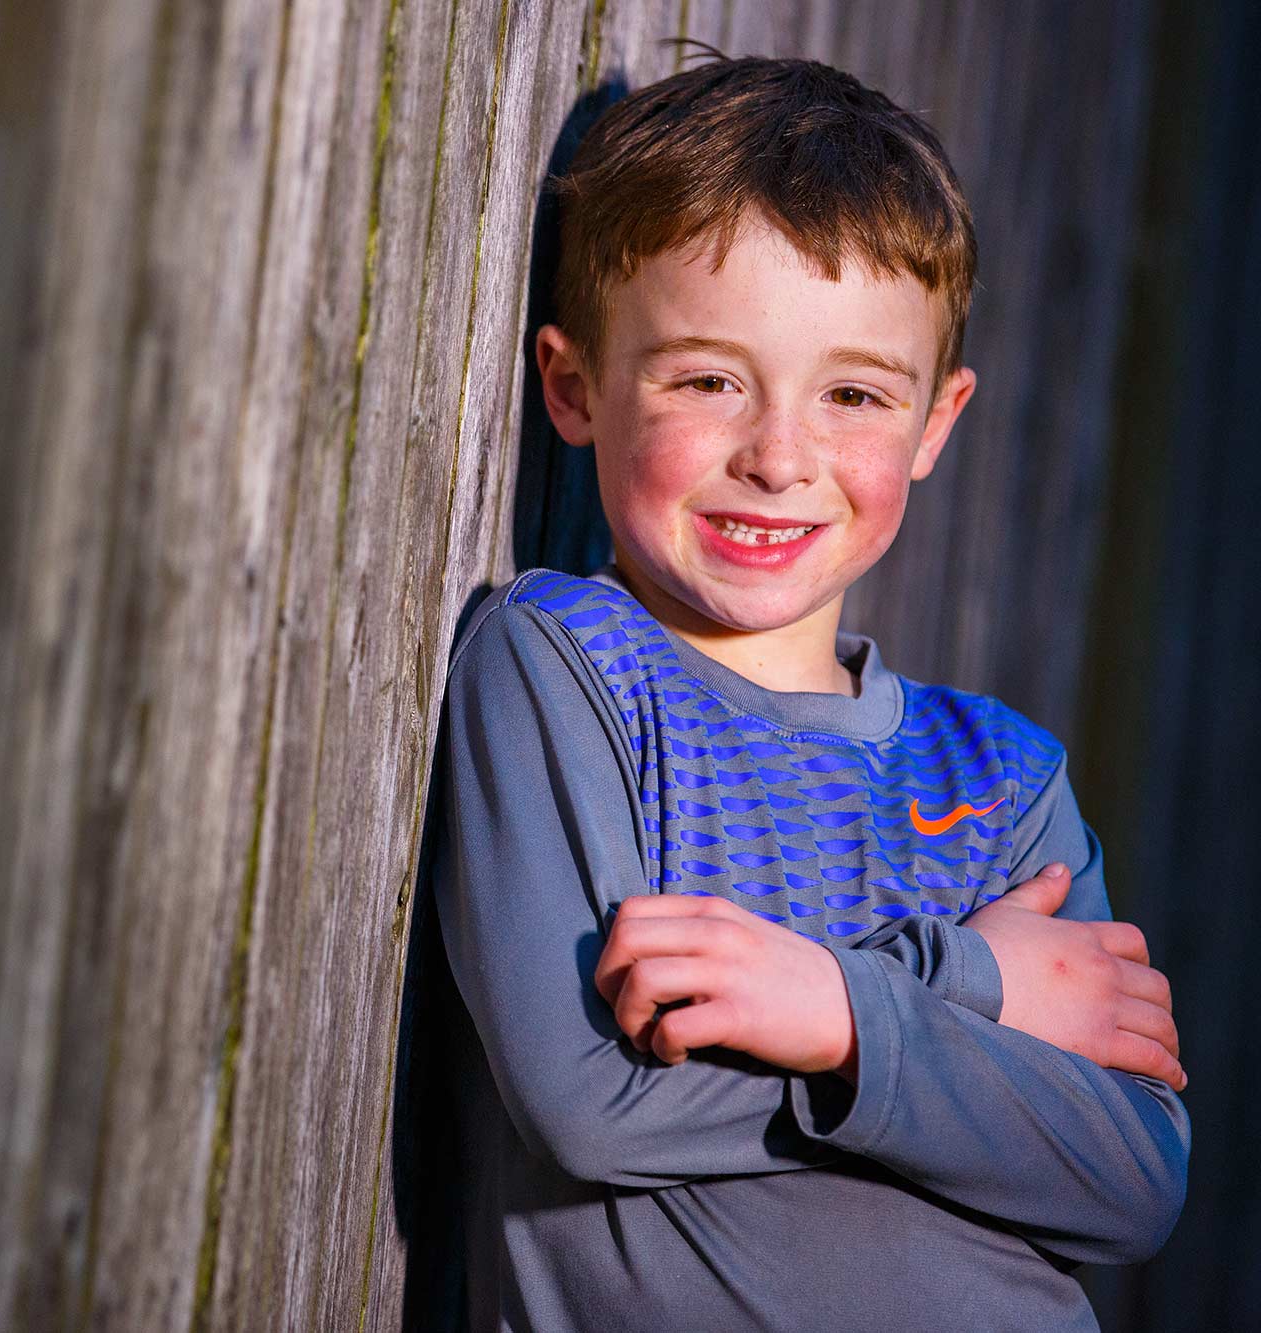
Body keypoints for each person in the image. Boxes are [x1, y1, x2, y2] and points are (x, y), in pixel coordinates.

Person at [432, 53, 1190, 1331]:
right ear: (572, 387)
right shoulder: (562, 665)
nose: (777, 455)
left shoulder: (1001, 783)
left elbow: (1126, 1180)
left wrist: (834, 1007)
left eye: (850, 395)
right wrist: (963, 995)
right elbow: (586, 1096)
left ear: (932, 425)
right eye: (705, 379)